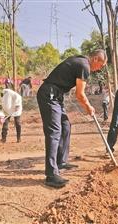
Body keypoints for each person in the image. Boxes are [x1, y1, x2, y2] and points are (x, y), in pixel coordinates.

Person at [37, 49, 107, 188]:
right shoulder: (84, 66)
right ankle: (51, 175)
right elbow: (80, 94)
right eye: (101, 66)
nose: (99, 69)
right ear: (95, 60)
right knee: (54, 132)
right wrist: (88, 106)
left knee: (66, 126)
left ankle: (61, 161)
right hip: (49, 94)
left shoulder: (81, 61)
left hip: (57, 96)